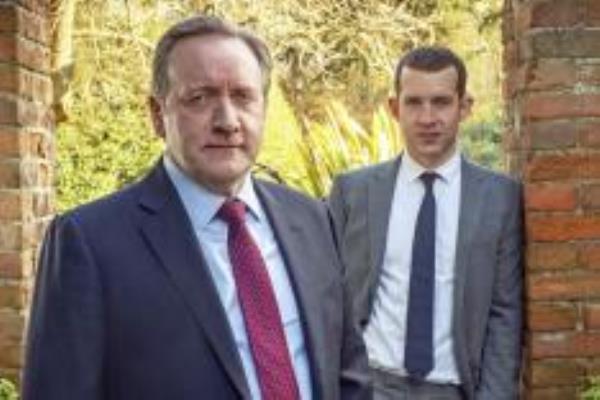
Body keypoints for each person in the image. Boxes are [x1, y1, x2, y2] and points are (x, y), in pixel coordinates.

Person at [23, 15, 371, 400]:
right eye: (199, 98)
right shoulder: (88, 243)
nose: (227, 121)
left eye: (242, 96)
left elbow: (348, 372)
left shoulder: (312, 218)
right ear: (158, 114)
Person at [329, 46, 523, 400]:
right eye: (414, 102)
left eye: (441, 102)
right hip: (368, 385)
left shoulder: (499, 198)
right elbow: (326, 297)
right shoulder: (352, 192)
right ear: (394, 108)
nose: (427, 117)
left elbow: (504, 313)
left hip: (451, 389)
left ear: (464, 107)